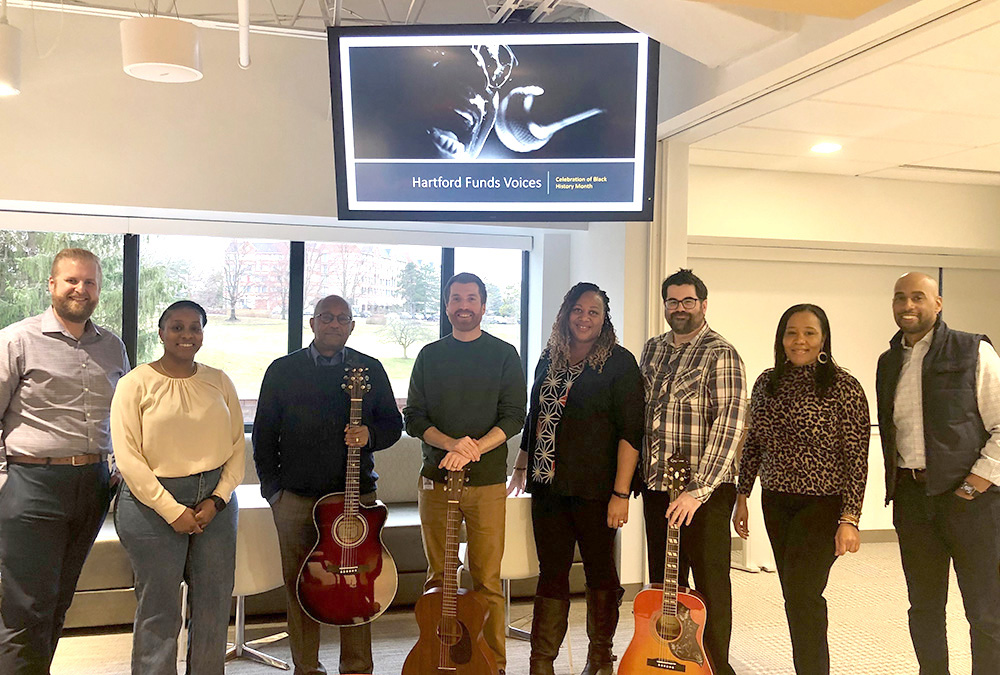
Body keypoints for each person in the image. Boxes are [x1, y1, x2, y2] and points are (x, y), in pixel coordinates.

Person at [253, 294, 403, 675]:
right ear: (312, 323)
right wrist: (273, 492)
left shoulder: (369, 369)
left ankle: (356, 668)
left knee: (358, 586)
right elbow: (265, 435)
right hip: (296, 501)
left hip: (355, 500)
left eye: (342, 318)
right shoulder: (283, 370)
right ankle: (306, 667)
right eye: (326, 317)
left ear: (352, 325)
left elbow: (392, 426)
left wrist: (368, 434)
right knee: (300, 589)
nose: (334, 324)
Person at [0, 248, 130, 674]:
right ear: (52, 285)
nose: (81, 288)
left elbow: (126, 416)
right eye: (72, 280)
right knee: (24, 610)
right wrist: (5, 482)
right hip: (31, 484)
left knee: (58, 602)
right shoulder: (16, 339)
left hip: (91, 486)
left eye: (89, 282)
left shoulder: (112, 347)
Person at [508, 282, 643, 675]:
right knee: (552, 572)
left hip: (597, 490)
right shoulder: (550, 356)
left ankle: (600, 657)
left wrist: (620, 492)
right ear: (566, 313)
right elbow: (537, 415)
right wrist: (520, 463)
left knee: (600, 571)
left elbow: (630, 431)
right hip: (547, 484)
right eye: (578, 310)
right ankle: (541, 662)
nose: (584, 318)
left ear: (604, 319)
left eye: (594, 312)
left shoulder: (618, 362)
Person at [733, 303, 869, 674]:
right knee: (793, 595)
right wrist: (741, 496)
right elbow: (754, 444)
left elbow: (857, 456)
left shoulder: (845, 387)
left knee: (803, 594)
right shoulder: (766, 382)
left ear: (823, 338)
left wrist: (850, 517)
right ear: (781, 338)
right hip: (776, 502)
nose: (800, 340)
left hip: (824, 505)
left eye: (809, 332)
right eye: (792, 332)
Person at [875, 272, 1000, 675]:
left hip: (971, 502)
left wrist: (975, 483)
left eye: (917, 297)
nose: (907, 306)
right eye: (899, 298)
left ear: (938, 303)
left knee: (985, 609)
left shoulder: (972, 350)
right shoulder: (889, 361)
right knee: (924, 607)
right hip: (912, 501)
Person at [111, 300, 245, 675]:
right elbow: (128, 457)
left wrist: (218, 499)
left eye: (194, 328)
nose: (186, 335)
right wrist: (173, 511)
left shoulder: (219, 380)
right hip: (150, 506)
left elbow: (237, 447)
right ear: (161, 332)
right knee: (159, 607)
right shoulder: (135, 383)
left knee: (213, 605)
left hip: (215, 503)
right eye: (177, 327)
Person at [403, 272, 527, 675]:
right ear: (446, 305)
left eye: (471, 298)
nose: (463, 305)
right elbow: (414, 418)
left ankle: (493, 664)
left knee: (487, 579)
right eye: (455, 298)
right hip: (436, 482)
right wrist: (452, 444)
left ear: (484, 305)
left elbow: (514, 416)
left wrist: (473, 448)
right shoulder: (429, 355)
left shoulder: (504, 354)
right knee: (438, 575)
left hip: (488, 482)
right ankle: (435, 657)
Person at [639, 268, 746, 675]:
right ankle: (669, 660)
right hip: (657, 489)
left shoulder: (722, 353)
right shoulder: (653, 350)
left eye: (687, 301)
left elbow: (730, 424)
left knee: (710, 586)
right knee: (666, 585)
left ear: (703, 304)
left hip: (704, 495)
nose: (679, 308)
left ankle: (715, 665)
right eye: (672, 301)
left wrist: (697, 491)